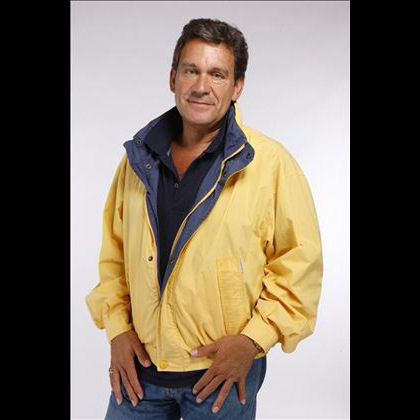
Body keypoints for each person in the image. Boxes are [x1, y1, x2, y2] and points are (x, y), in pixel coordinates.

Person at [85, 18, 323, 420]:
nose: (201, 86)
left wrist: (252, 341)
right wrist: (117, 330)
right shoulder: (139, 159)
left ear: (237, 86)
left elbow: (299, 266)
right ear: (172, 77)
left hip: (221, 376)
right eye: (191, 70)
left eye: (217, 74)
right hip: (139, 373)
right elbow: (115, 255)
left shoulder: (269, 164)